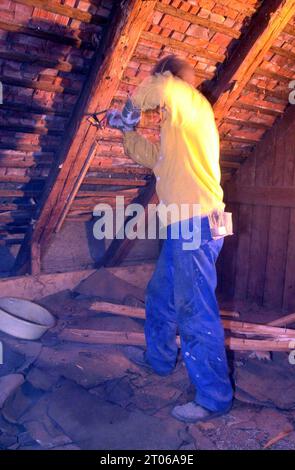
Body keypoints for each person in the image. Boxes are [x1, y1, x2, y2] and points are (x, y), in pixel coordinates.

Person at [111, 55, 233, 423]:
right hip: (188, 224)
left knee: (195, 310)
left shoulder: (189, 100)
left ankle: (214, 398)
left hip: (195, 224)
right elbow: (154, 158)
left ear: (168, 76)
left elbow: (157, 88)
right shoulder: (179, 129)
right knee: (162, 294)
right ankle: (160, 359)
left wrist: (130, 109)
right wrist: (127, 131)